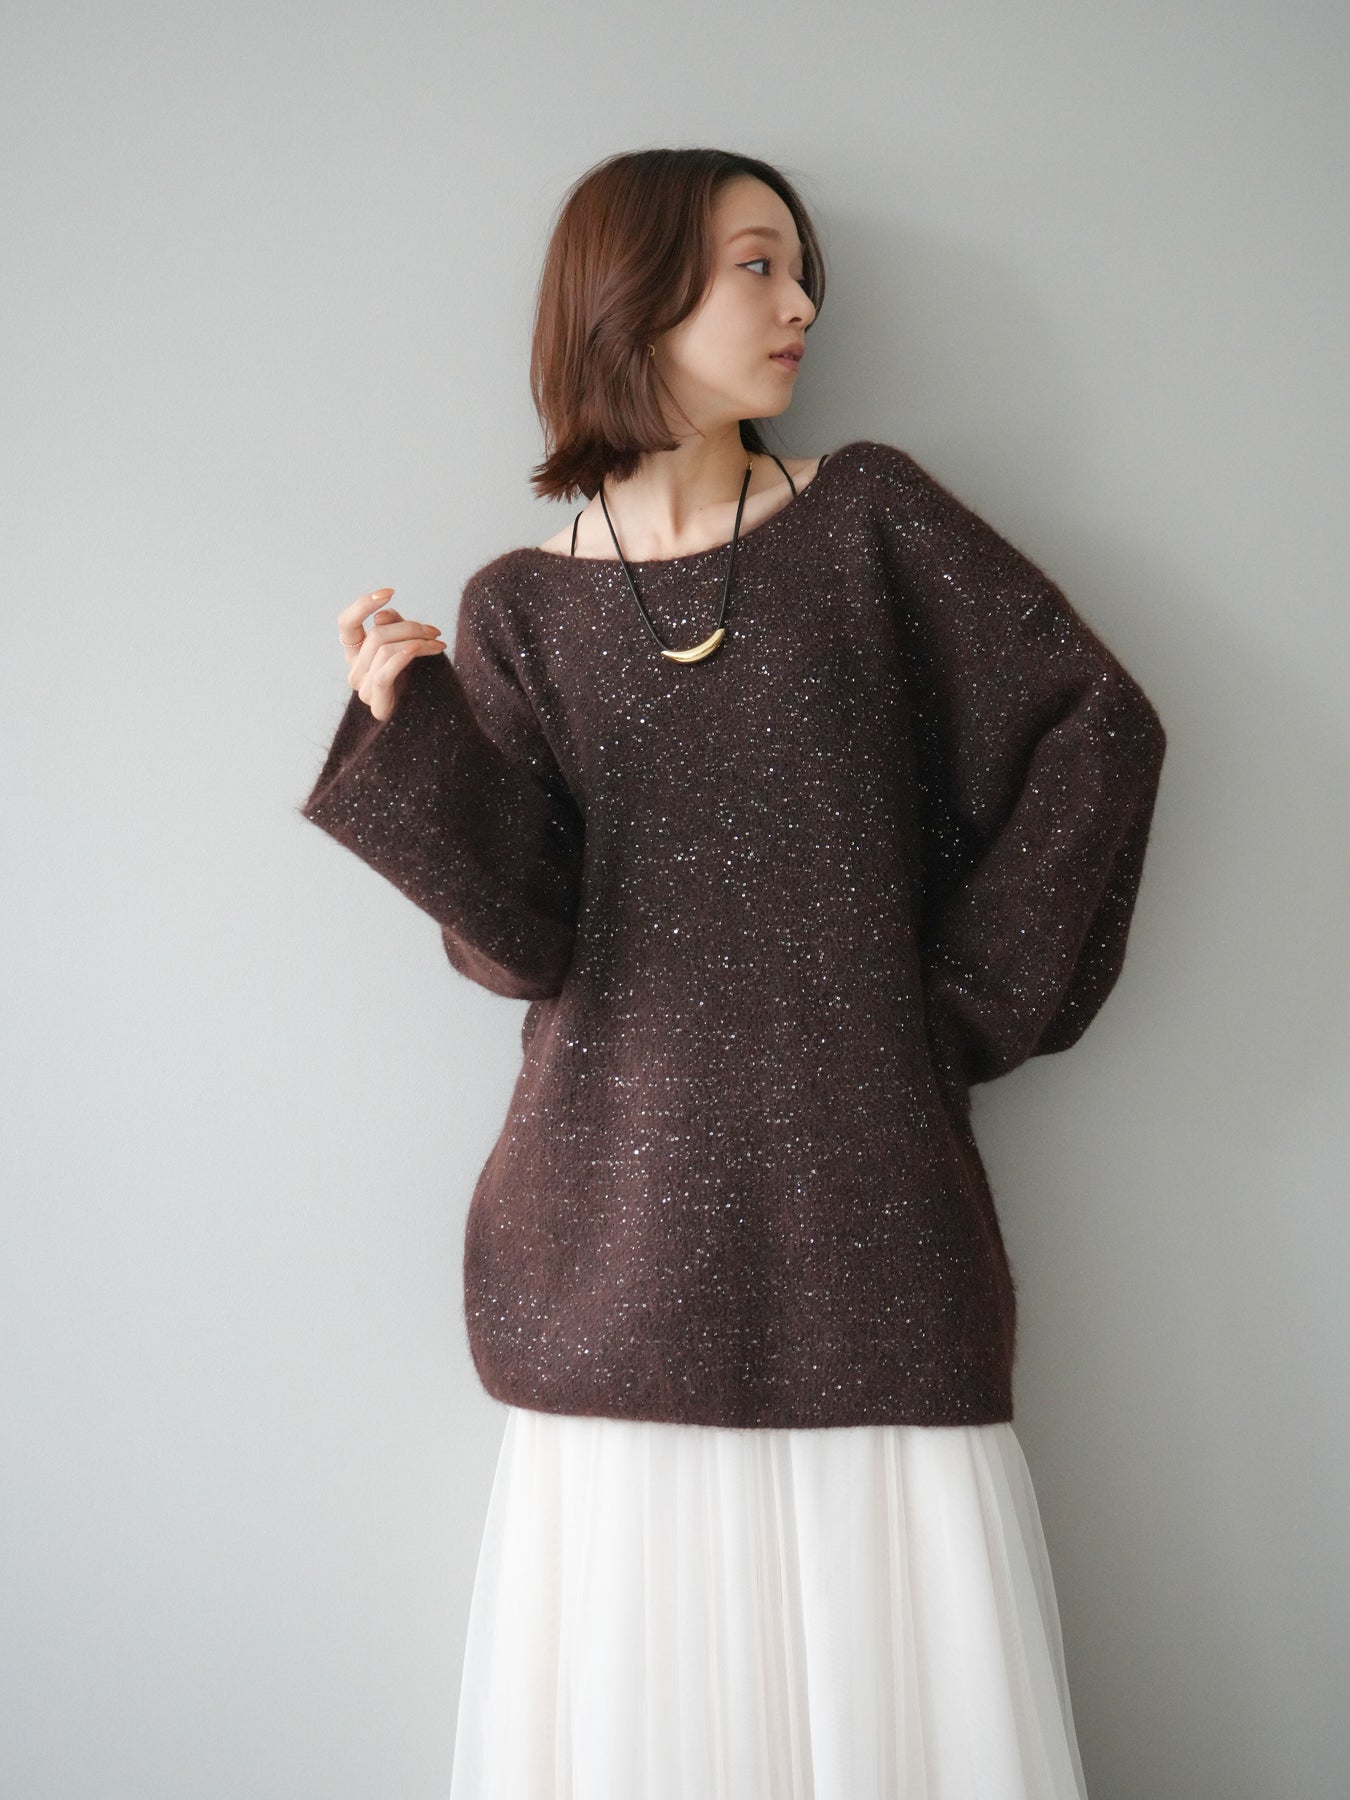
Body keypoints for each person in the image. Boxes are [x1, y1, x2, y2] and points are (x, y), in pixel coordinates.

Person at [298, 147, 1167, 1799]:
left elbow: (1096, 730)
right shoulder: (517, 607)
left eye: (799, 265)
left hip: (867, 1216)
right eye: (756, 265)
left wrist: (960, 1008)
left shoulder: (872, 517)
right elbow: (514, 944)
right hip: (610, 1234)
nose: (801, 303)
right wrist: (412, 743)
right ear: (631, 294)